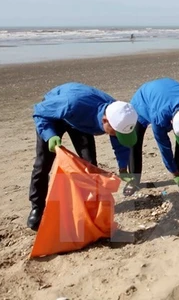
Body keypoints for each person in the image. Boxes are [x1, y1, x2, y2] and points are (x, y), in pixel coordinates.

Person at [27, 82, 138, 231]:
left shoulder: (118, 111)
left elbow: (119, 141)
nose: (116, 136)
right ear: (105, 121)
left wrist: (123, 167)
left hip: (81, 121)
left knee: (89, 165)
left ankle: (89, 205)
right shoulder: (70, 103)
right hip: (53, 115)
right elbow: (39, 112)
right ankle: (37, 207)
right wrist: (50, 135)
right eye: (115, 132)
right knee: (42, 164)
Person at [125, 77, 179, 195]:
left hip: (167, 93)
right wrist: (173, 172)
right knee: (134, 142)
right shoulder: (158, 118)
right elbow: (164, 147)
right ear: (171, 123)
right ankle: (133, 180)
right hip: (143, 101)